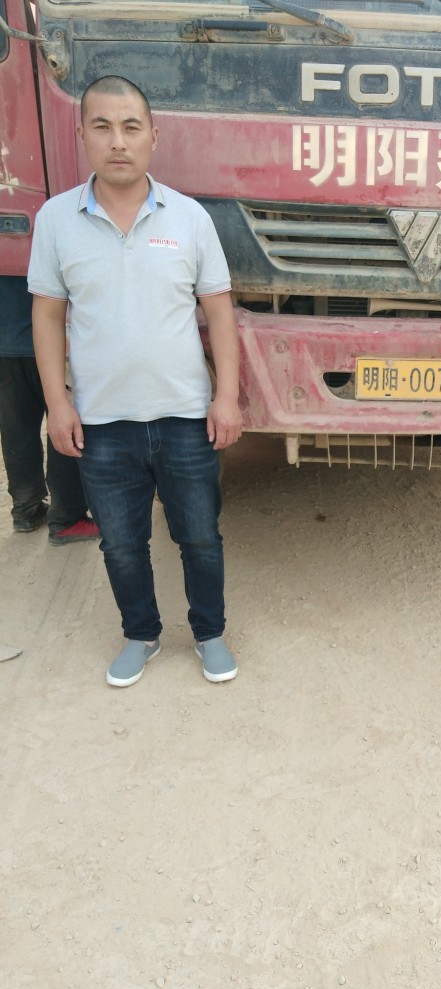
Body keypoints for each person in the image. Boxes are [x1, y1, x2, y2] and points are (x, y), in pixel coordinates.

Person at [28, 75, 243, 687]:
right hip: (101, 422)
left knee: (199, 537)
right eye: (102, 127)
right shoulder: (56, 220)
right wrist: (58, 403)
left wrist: (226, 396)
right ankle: (141, 634)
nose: (117, 141)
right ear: (82, 136)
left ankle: (209, 633)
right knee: (121, 543)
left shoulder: (190, 218)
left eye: (130, 127)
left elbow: (219, 312)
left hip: (184, 417)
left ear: (153, 136)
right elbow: (47, 316)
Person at [0, 275, 100, 544]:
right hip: (48, 344)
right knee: (65, 421)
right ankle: (67, 517)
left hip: (5, 346)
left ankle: (26, 509)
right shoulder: (43, 245)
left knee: (16, 429)